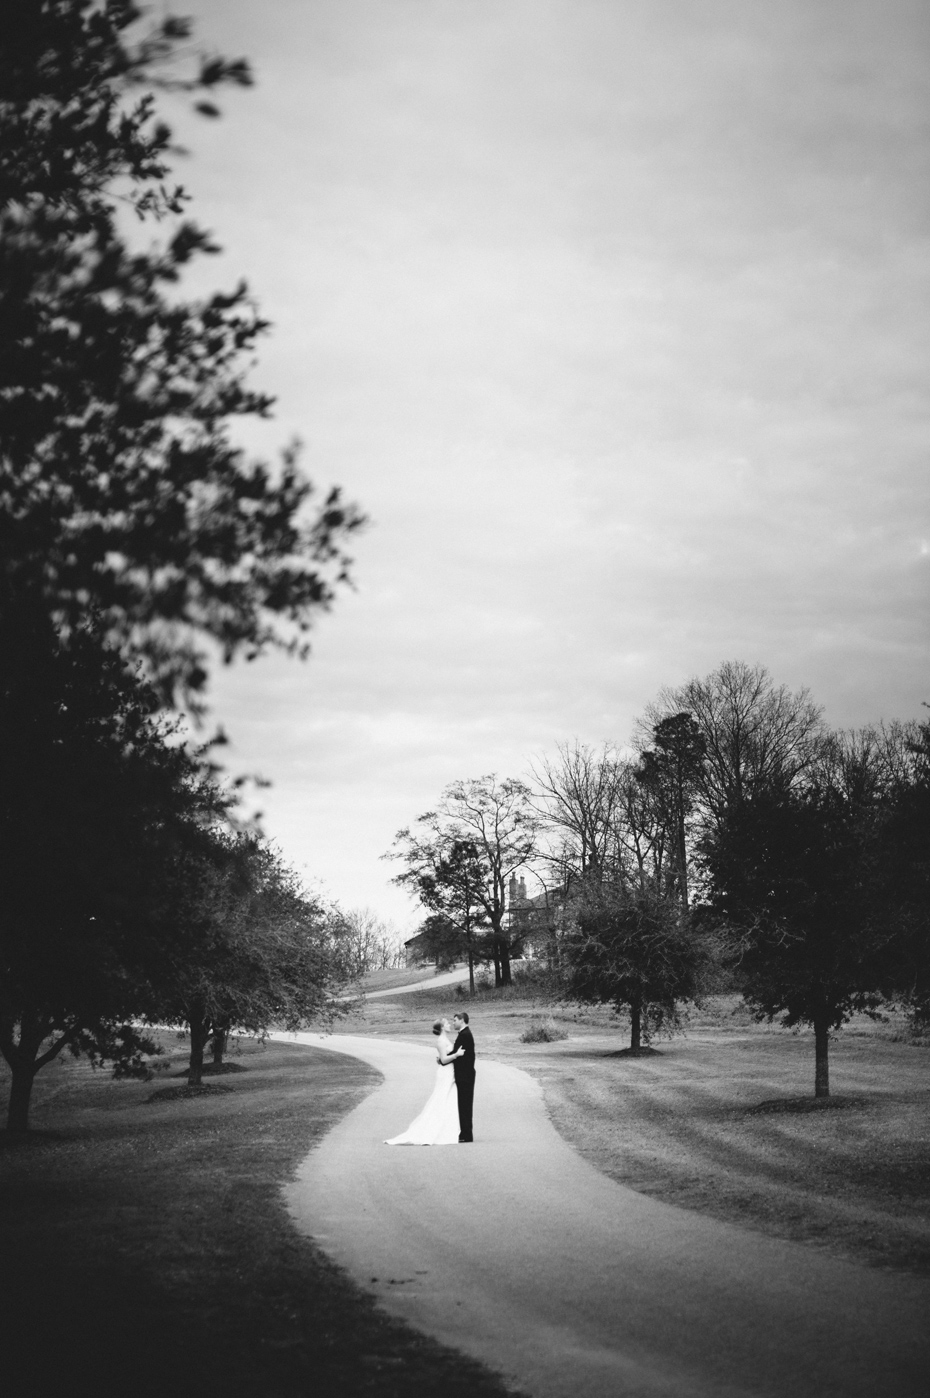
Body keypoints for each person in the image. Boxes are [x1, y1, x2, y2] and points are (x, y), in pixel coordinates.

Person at [384, 1018, 460, 1145]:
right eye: (447, 1023)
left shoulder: (445, 1039)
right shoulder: (440, 1041)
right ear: (442, 1027)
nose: (449, 1025)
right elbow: (444, 1059)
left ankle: (448, 1127)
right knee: (440, 1098)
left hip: (450, 1071)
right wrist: (456, 1055)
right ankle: (431, 1129)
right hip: (445, 1072)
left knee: (450, 1098)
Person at [441, 1010, 475, 1143]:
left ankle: (466, 1134)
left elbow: (457, 1054)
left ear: (462, 1020)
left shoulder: (465, 1035)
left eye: (455, 1020)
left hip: (465, 1076)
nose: (453, 1023)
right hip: (465, 1075)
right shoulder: (464, 1034)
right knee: (464, 1104)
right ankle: (465, 1133)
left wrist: (442, 1061)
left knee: (465, 1105)